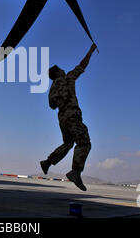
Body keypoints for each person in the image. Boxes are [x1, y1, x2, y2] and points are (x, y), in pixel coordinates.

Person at [40, 43, 98, 191]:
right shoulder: (68, 78)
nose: (63, 69)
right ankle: (76, 171)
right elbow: (82, 65)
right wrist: (90, 50)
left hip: (62, 119)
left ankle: (47, 162)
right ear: (58, 72)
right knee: (84, 142)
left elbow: (52, 105)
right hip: (72, 116)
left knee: (68, 144)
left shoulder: (53, 87)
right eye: (60, 68)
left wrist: (60, 99)